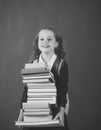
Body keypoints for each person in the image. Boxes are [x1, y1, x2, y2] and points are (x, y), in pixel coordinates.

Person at [18, 28, 69, 130]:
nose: (45, 42)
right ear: (37, 43)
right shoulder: (33, 64)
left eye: (49, 39)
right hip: (35, 111)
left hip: (56, 109)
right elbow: (27, 90)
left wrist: (62, 110)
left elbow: (63, 89)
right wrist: (21, 112)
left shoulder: (61, 64)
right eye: (41, 39)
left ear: (56, 44)